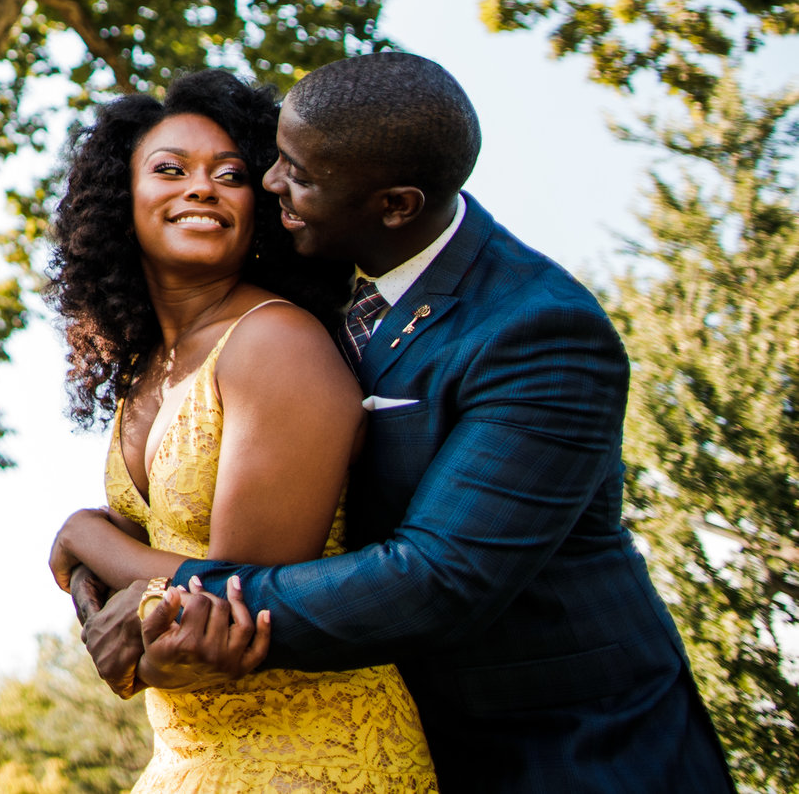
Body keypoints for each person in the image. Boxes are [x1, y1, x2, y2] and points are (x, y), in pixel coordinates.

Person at [82, 52, 732, 794]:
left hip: (572, 750)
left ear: (394, 204)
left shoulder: (539, 331)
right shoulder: (324, 287)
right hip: (398, 730)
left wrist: (190, 600)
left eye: (295, 173)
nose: (267, 183)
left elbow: (439, 577)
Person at [44, 68, 437, 792]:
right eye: (170, 169)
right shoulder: (146, 369)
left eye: (230, 174)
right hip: (187, 753)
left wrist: (83, 535)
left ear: (259, 208)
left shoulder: (275, 341)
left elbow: (243, 596)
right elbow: (160, 592)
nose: (203, 187)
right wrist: (118, 626)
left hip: (316, 753)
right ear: (119, 202)